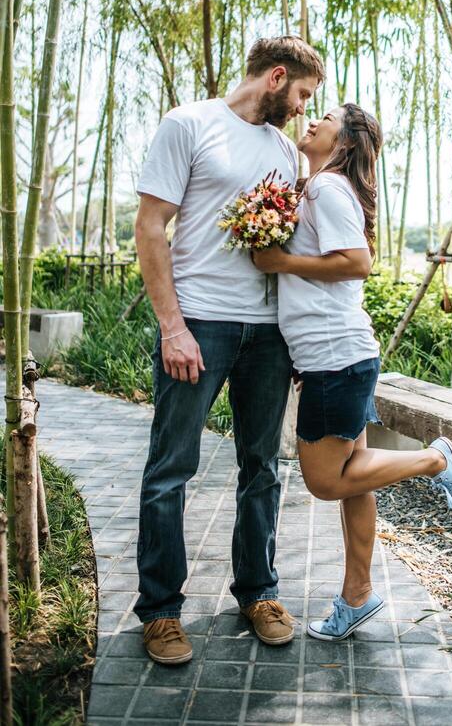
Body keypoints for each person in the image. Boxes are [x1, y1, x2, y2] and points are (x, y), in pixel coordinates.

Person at [133, 36, 325, 664]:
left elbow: (291, 252)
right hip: (201, 324)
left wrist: (296, 338)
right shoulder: (189, 124)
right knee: (171, 469)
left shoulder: (282, 152)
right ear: (275, 77)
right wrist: (173, 327)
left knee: (263, 467)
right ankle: (161, 611)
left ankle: (258, 592)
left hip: (267, 333)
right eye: (300, 96)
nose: (301, 111)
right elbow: (151, 226)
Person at [253, 103, 452, 642]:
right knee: (353, 478)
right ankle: (357, 597)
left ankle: (432, 459)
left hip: (336, 356)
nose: (311, 120)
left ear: (345, 141)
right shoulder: (319, 187)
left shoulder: (327, 189)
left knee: (326, 480)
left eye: (323, 116)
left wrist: (280, 262)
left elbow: (356, 262)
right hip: (335, 356)